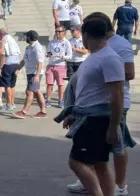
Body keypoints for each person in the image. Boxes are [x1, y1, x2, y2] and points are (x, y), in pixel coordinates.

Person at [65, 12, 136, 196]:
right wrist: (72, 113)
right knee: (100, 164)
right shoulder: (96, 56)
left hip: (96, 120)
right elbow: (89, 92)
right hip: (89, 117)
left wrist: (113, 127)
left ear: (87, 35)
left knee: (77, 162)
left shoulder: (109, 57)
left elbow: (117, 94)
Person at [12, 30, 47, 119]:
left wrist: (37, 75)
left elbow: (40, 62)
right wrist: (18, 68)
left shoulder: (37, 47)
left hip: (35, 73)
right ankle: (43, 112)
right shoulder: (29, 47)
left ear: (31, 37)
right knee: (36, 91)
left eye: (27, 36)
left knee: (29, 92)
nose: (25, 38)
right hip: (30, 72)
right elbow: (24, 60)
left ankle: (23, 112)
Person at [45, 25, 72, 108]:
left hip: (61, 66)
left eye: (59, 31)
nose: (57, 33)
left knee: (60, 84)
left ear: (64, 33)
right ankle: (48, 100)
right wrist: (49, 55)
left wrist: (62, 57)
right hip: (51, 65)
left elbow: (70, 56)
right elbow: (48, 52)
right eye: (56, 31)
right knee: (49, 83)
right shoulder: (52, 42)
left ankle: (60, 100)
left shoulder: (66, 43)